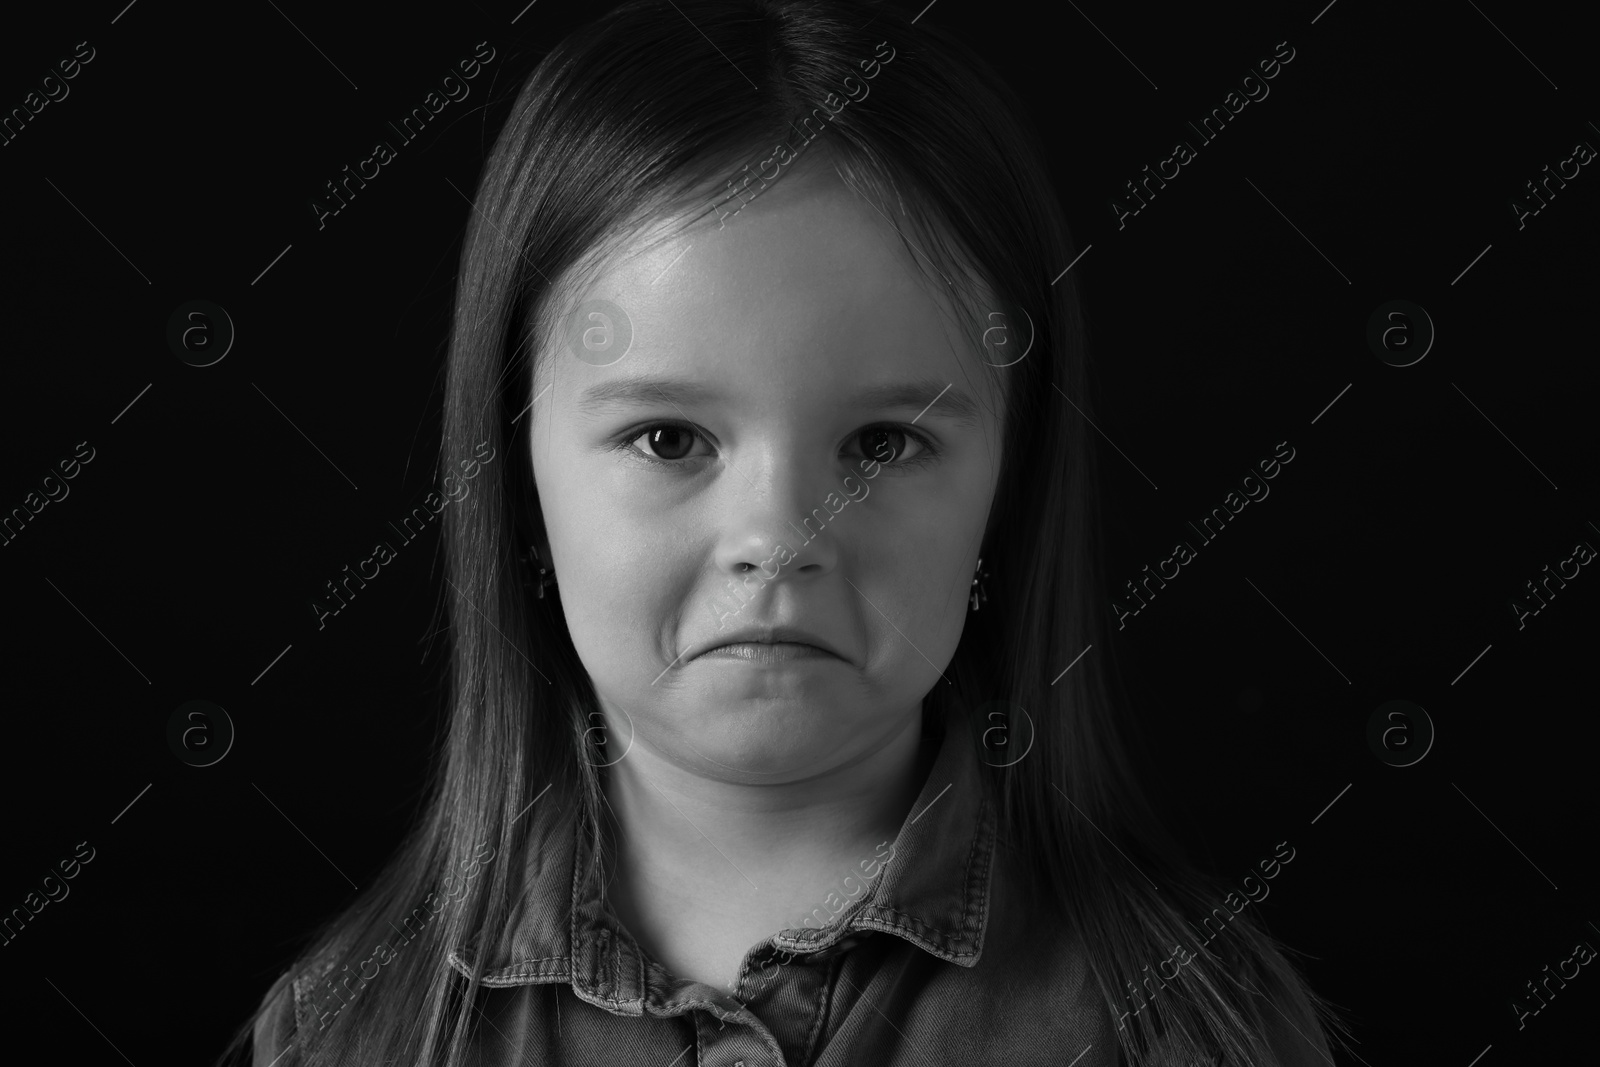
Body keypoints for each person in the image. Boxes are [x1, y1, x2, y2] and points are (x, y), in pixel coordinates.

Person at [221, 1, 1345, 1063]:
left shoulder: (1189, 1026)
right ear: (518, 486)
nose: (779, 536)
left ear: (1008, 485)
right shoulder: (351, 1032)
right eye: (668, 439)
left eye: (880, 445)